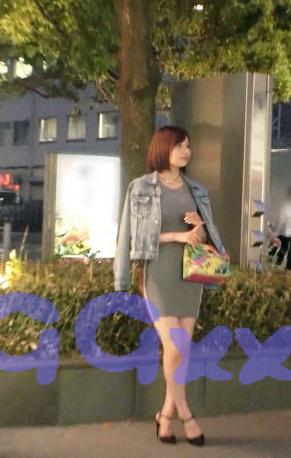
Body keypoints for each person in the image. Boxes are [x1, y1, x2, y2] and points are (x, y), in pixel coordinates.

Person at [113, 126, 226, 447]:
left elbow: (204, 238)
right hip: (159, 273)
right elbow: (133, 237)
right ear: (164, 148)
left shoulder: (196, 189)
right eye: (179, 146)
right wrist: (178, 236)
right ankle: (186, 415)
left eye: (188, 146)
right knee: (175, 348)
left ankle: (165, 415)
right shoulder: (141, 187)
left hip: (190, 275)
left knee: (182, 350)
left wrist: (199, 228)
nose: (186, 151)